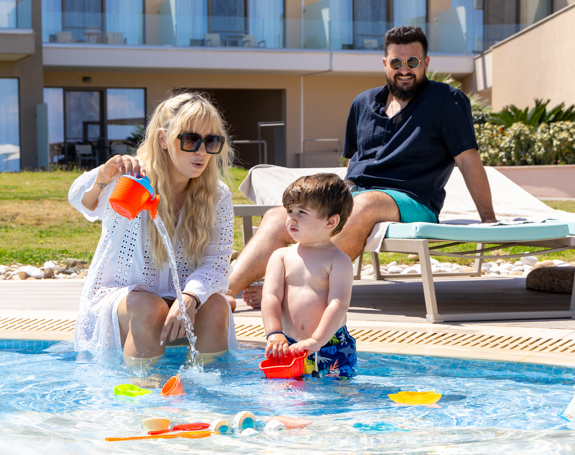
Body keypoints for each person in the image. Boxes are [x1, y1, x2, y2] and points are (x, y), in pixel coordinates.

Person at [224, 25, 497, 310]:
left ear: (426, 63)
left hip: (412, 199)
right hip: (355, 193)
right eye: (396, 62)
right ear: (385, 64)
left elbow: (468, 160)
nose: (404, 69)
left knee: (366, 204)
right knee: (278, 216)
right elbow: (353, 162)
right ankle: (223, 293)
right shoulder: (363, 103)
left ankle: (298, 289)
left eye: (413, 62)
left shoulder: (446, 101)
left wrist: (489, 221)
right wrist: (332, 198)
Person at [69, 92, 236, 365]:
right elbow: (83, 203)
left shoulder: (217, 195)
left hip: (179, 300)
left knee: (217, 306)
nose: (202, 151)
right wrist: (102, 177)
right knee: (151, 308)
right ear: (163, 139)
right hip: (123, 299)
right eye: (191, 139)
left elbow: (217, 263)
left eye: (211, 141)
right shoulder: (134, 179)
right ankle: (145, 398)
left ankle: (208, 397)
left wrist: (191, 298)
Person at [262, 173, 357, 378]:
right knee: (287, 392)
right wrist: (274, 333)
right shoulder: (281, 256)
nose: (292, 218)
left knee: (336, 396)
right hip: (288, 343)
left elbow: (337, 304)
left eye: (302, 212)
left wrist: (316, 341)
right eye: (290, 211)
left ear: (331, 222)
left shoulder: (339, 261)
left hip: (331, 344)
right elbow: (271, 297)